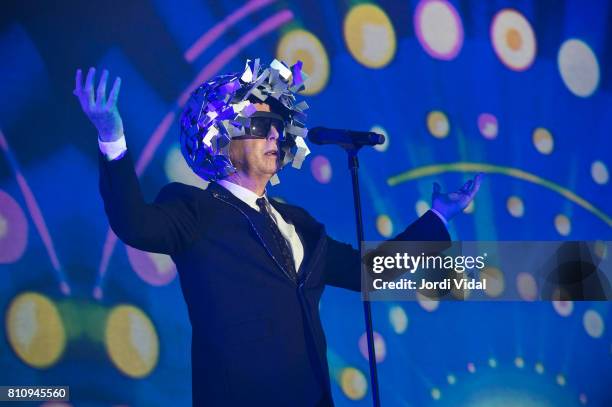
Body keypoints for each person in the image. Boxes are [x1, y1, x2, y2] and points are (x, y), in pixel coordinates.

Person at [74, 59, 482, 406]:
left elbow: (369, 272)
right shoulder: (195, 209)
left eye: (277, 126)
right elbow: (134, 223)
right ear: (226, 139)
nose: (275, 135)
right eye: (261, 125)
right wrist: (111, 137)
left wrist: (438, 217)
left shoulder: (299, 225)